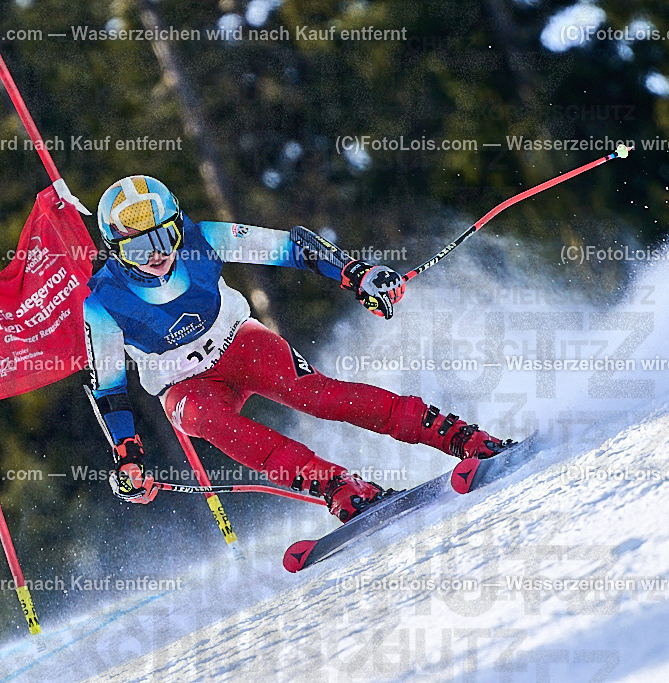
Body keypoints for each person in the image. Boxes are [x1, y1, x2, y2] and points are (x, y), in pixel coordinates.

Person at [83, 175, 512, 522]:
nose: (157, 255)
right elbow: (109, 388)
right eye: (139, 247)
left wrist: (355, 274)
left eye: (166, 236)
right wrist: (128, 455)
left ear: (180, 225)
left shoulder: (204, 239)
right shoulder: (101, 302)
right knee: (203, 418)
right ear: (116, 251)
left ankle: (460, 436)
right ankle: (338, 486)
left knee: (317, 395)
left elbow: (292, 245)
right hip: (184, 385)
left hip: (238, 343)